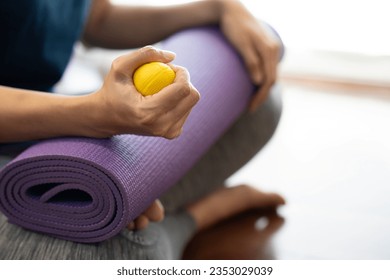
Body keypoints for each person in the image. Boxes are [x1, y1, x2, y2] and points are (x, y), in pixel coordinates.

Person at [0, 0, 285, 259]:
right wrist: (93, 115)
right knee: (72, 255)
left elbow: (99, 18)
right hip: (25, 138)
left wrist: (217, 8)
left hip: (47, 117)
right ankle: (198, 213)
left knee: (257, 94)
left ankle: (137, 203)